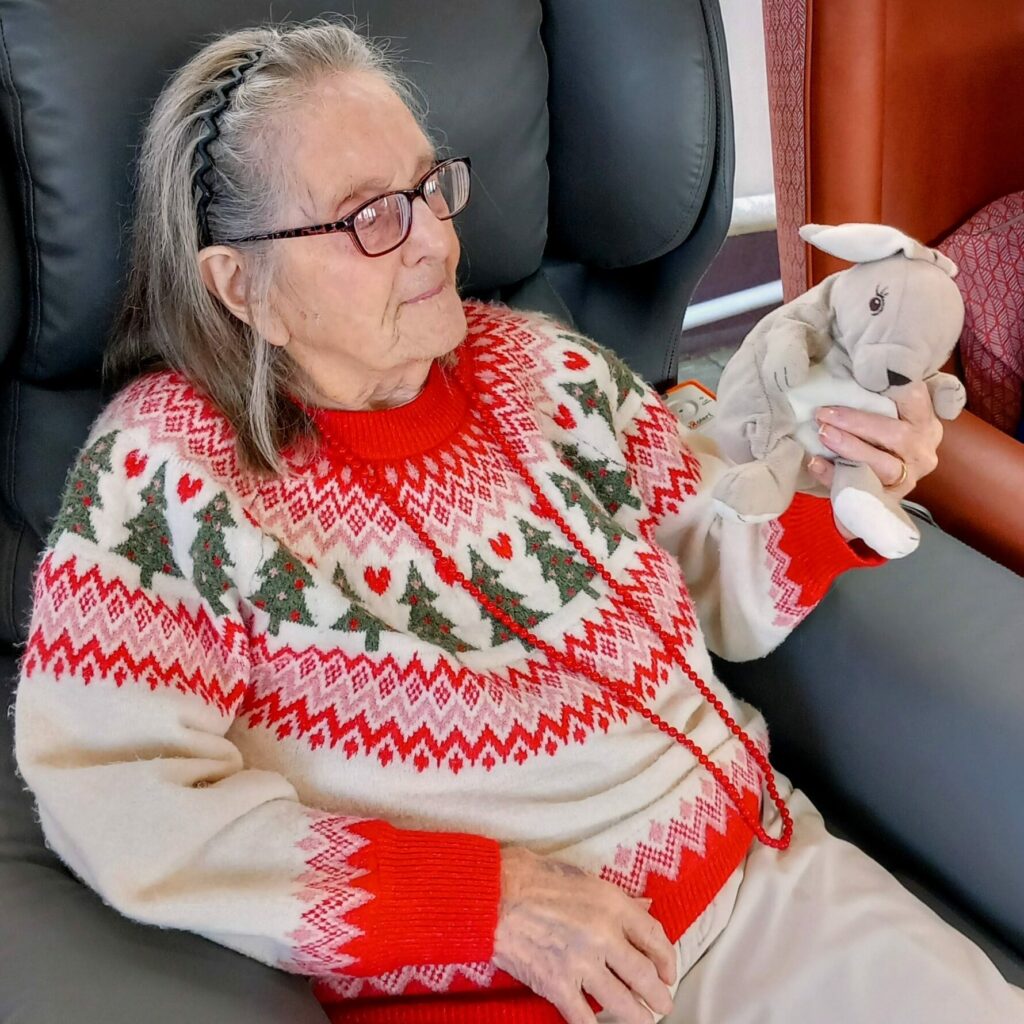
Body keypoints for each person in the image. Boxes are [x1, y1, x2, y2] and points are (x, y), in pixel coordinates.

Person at [12, 19, 1023, 1024]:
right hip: (510, 987)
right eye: (371, 217)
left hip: (761, 881)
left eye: (428, 187)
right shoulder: (169, 475)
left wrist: (833, 481)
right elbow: (116, 791)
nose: (435, 239)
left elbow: (714, 577)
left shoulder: (544, 367)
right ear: (242, 286)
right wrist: (483, 903)